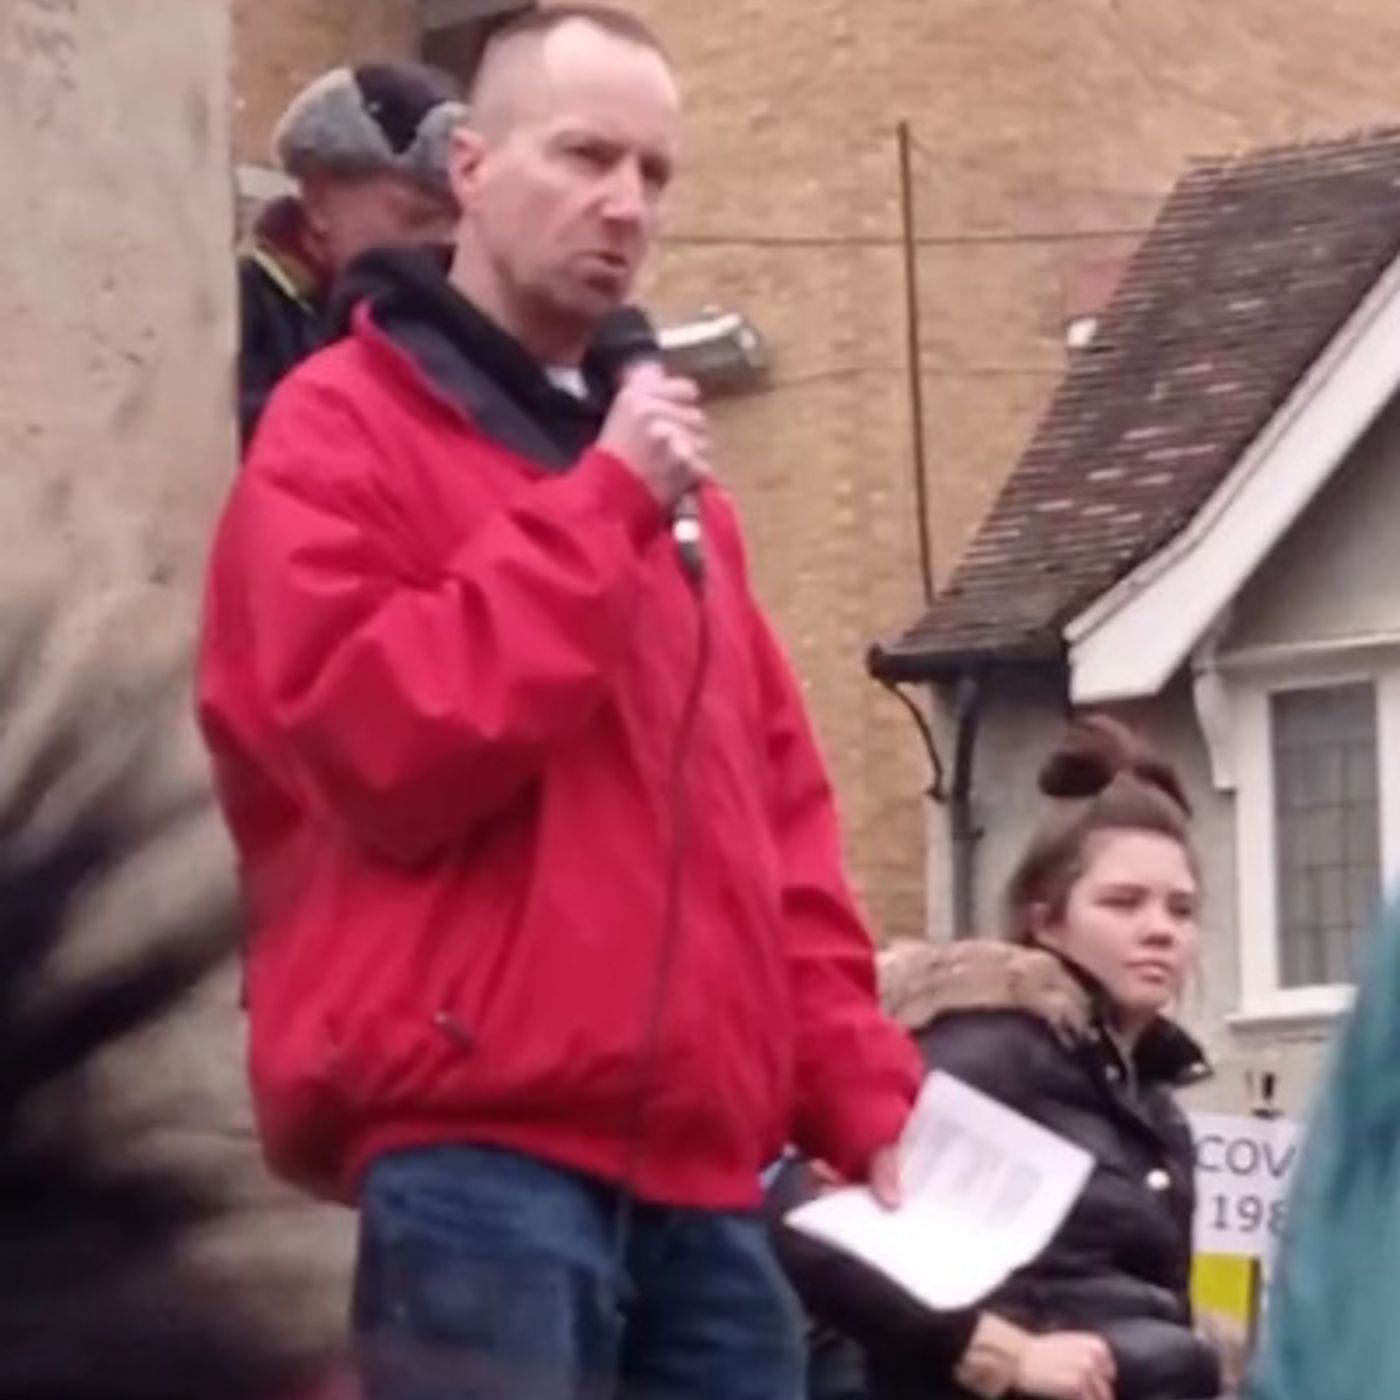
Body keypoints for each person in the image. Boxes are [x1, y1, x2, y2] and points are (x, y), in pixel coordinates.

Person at [197, 7, 921, 1398]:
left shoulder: (680, 494)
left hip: (705, 1177)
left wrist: (855, 1078)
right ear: (467, 166)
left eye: (654, 174)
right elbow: (370, 745)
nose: (625, 205)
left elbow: (774, 825)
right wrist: (600, 515)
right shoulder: (339, 427)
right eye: (586, 154)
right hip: (479, 1150)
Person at [773, 717, 1225, 1400]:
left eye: (1181, 909)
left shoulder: (1154, 1108)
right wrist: (995, 1351)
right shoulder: (990, 1052)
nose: (1160, 929)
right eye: (1123, 903)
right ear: (1047, 922)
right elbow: (810, 1227)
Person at [237, 61, 466, 446]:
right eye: (417, 217)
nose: (441, 244)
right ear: (319, 202)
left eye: (457, 222)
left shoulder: (447, 327)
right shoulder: (238, 314)